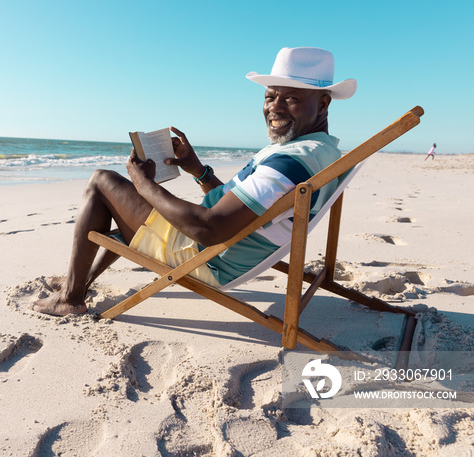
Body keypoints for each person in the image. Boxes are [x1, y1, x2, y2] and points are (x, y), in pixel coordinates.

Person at [33, 47, 357, 316]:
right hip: (219, 248)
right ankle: (79, 278)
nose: (274, 107)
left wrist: (143, 184)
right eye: (270, 96)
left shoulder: (289, 162)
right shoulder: (316, 152)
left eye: (291, 99)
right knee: (120, 204)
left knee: (102, 181)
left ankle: (70, 297)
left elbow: (210, 227)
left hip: (203, 256)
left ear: (323, 103)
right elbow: (237, 209)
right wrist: (197, 169)